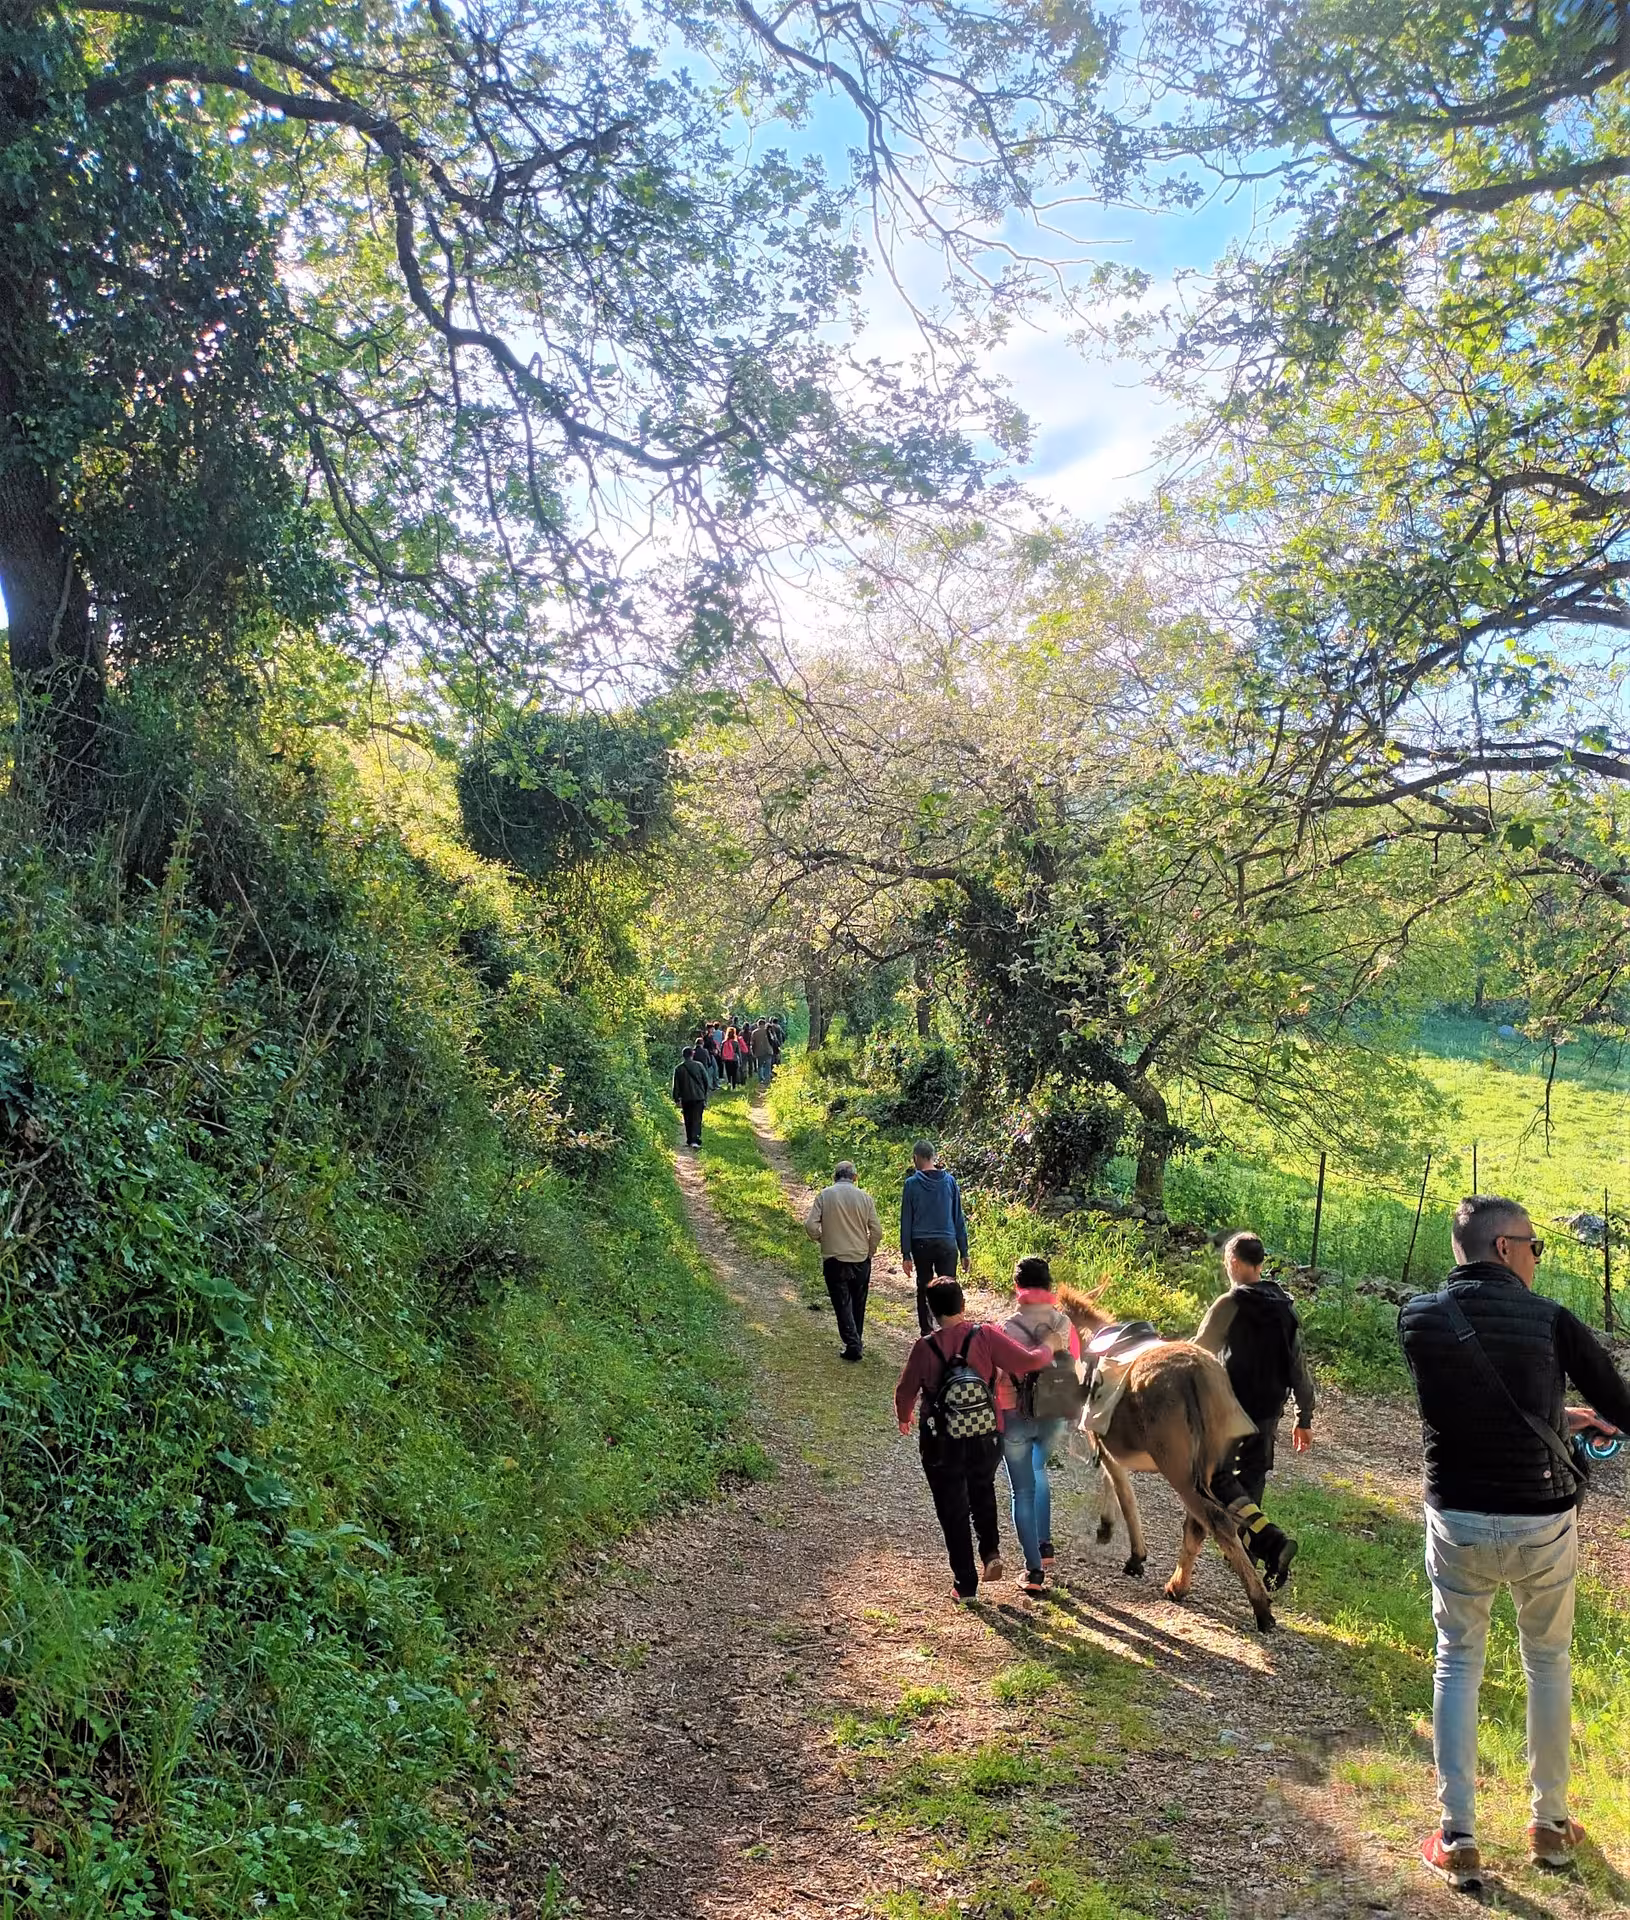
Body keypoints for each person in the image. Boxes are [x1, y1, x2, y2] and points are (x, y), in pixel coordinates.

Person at [1399, 1194, 1630, 1892]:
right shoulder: (1553, 1320)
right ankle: (1550, 1826)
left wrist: (1557, 1410)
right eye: (1534, 1245)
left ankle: (1458, 1835)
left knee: (1457, 1662)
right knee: (1548, 1663)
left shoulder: (1418, 1319)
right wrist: (1586, 1419)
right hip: (1541, 1519)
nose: (1537, 1256)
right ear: (1505, 1248)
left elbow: (1466, 1401)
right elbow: (1622, 1410)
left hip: (1459, 1517)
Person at [894, 1279, 1060, 1604]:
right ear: (963, 1305)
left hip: (942, 1440)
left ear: (932, 1311)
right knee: (982, 1488)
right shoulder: (984, 1336)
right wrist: (1049, 1346)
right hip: (986, 1433)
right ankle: (990, 1551)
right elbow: (1028, 1361)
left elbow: (905, 1391)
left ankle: (965, 1584)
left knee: (951, 1506)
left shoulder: (924, 1347)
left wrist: (905, 1417)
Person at [1193, 1231, 1314, 1589]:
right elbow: (1298, 1367)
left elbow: (1199, 1350)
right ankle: (1254, 1554)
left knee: (1212, 1476)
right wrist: (1303, 1417)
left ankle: (1267, 1540)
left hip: (1229, 1409)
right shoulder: (1285, 1307)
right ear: (1260, 1264)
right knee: (1252, 1478)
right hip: (1267, 1412)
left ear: (1233, 1262)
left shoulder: (1230, 1304)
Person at [997, 1256, 1083, 1595]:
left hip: (1014, 1412)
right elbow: (1073, 1367)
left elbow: (998, 1374)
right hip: (1053, 1411)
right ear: (1048, 1286)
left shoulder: (1005, 1327)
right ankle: (1045, 1547)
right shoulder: (1064, 1325)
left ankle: (1034, 1571)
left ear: (1018, 1287)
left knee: (1022, 1489)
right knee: (1039, 1470)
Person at [804, 1160, 883, 1361]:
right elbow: (877, 1230)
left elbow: (810, 1225)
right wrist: (870, 1251)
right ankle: (856, 1339)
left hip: (835, 1258)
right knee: (858, 1302)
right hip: (860, 1258)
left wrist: (822, 1238)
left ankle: (853, 1343)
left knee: (842, 1303)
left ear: (835, 1177)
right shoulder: (865, 1198)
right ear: (855, 1177)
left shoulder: (825, 1195)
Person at [900, 1140, 969, 1335]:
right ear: (933, 1157)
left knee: (924, 1286)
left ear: (916, 1158)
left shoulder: (911, 1184)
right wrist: (964, 1250)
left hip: (921, 1243)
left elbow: (906, 1220)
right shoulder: (950, 1181)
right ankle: (952, 1330)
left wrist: (906, 1254)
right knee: (948, 1286)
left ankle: (927, 1332)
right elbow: (958, 1218)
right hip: (947, 1242)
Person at [671, 1045, 710, 1150]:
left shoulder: (678, 1068)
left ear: (683, 1056)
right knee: (697, 1119)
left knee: (687, 1119)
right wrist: (705, 1095)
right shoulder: (699, 1066)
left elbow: (676, 1086)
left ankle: (690, 1139)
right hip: (699, 1097)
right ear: (692, 1054)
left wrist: (676, 1099)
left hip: (686, 1098)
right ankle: (695, 1140)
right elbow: (706, 1081)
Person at [751, 1018, 775, 1085]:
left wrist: (753, 1052)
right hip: (768, 1050)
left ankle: (761, 1079)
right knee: (768, 1065)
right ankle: (767, 1079)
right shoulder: (768, 1031)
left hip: (759, 1051)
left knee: (760, 1065)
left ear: (758, 1025)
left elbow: (753, 1043)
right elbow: (772, 1040)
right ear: (764, 1024)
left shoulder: (754, 1032)